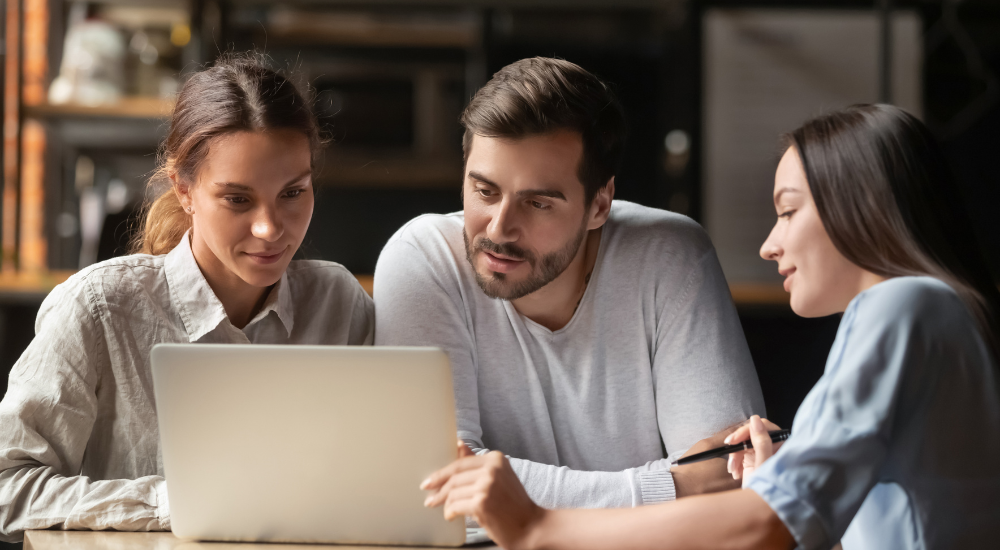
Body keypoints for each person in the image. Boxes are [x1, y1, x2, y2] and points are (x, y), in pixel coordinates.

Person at [420, 104, 1000, 550]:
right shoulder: (942, 313)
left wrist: (539, 528)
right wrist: (772, 488)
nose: (770, 245)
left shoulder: (902, 307)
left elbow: (767, 528)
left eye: (789, 210)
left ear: (862, 205)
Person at [0, 54, 373, 542]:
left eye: (292, 193)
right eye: (238, 199)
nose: (269, 228)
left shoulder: (338, 302)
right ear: (184, 189)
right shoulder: (98, 309)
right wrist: (172, 500)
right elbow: (9, 489)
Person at [375, 57, 765, 509]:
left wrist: (501, 491)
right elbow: (435, 491)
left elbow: (731, 481)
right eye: (484, 191)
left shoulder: (670, 255)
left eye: (537, 203)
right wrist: (671, 485)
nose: (499, 229)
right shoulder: (423, 259)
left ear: (600, 205)